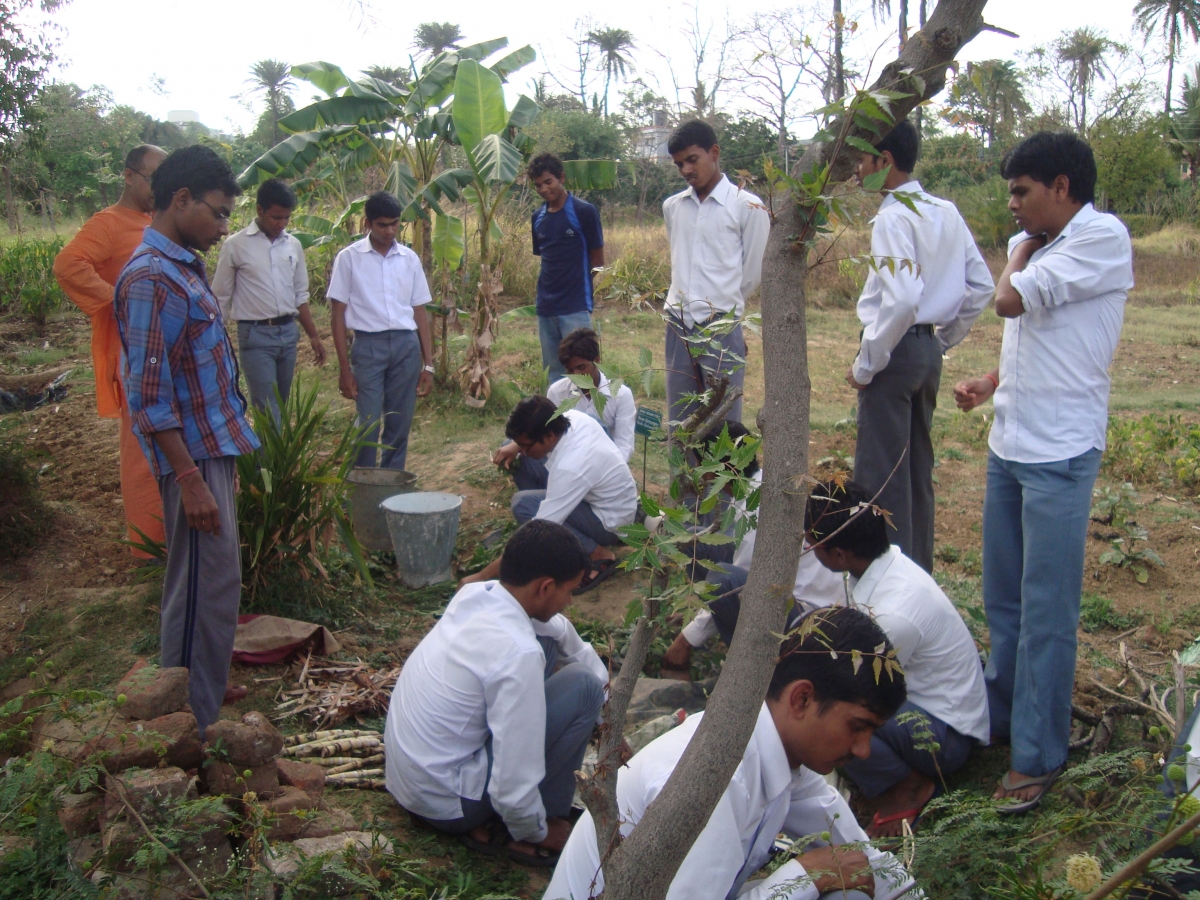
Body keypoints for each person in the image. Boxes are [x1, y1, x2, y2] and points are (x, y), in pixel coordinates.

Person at [953, 132, 1133, 813]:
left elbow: (1010, 302)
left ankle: (1039, 754)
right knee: (1004, 598)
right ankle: (1004, 718)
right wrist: (992, 380)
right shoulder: (1047, 249)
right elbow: (1045, 338)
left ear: (1062, 186)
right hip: (1012, 442)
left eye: (1022, 191)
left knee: (1048, 612)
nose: (1013, 205)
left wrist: (1016, 256)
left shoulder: (1099, 238)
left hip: (1059, 453)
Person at [545, 605, 920, 900]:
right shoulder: (714, 778)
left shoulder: (778, 754)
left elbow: (861, 855)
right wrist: (806, 874)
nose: (864, 750)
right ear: (802, 698)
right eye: (858, 727)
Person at [114, 145, 260, 735]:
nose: (224, 227)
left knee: (216, 578)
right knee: (201, 582)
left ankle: (200, 686)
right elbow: (148, 397)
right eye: (219, 213)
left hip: (211, 449)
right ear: (181, 201)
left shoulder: (180, 267)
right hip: (191, 458)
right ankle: (190, 722)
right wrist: (192, 478)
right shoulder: (150, 278)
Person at [385, 520, 607, 867]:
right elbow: (511, 786)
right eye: (570, 590)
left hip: (412, 778)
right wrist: (533, 830)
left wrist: (610, 715)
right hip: (449, 802)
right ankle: (540, 821)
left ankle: (521, 814)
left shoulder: (477, 595)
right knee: (586, 689)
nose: (569, 601)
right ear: (546, 587)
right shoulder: (518, 653)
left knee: (551, 643)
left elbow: (559, 630)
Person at [847, 118, 994, 574]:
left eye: (862, 159)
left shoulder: (892, 215)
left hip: (895, 354)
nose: (856, 169)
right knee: (915, 477)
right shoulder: (944, 211)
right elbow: (980, 285)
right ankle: (919, 579)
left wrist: (866, 364)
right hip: (926, 353)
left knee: (881, 481)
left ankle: (887, 587)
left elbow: (904, 298)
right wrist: (939, 340)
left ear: (884, 161)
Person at [805, 479, 989, 836]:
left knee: (833, 711)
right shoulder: (884, 568)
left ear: (838, 555)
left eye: (812, 544)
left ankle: (906, 788)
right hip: (928, 708)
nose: (808, 548)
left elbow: (849, 682)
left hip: (943, 736)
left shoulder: (892, 614)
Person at [54, 144, 168, 561]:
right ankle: (149, 548)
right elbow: (68, 265)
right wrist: (119, 300)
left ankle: (174, 533)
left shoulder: (154, 222)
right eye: (153, 178)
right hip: (133, 353)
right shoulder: (109, 223)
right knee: (142, 447)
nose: (160, 187)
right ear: (129, 176)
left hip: (162, 349)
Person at [660, 424, 846, 679]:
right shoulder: (761, 482)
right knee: (697, 544)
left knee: (722, 580)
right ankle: (701, 609)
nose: (698, 475)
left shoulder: (754, 516)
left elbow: (737, 589)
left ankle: (754, 672)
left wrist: (685, 640)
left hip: (806, 617)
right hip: (795, 590)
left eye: (700, 466)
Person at [662, 120, 769, 430]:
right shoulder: (674, 207)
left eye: (692, 160)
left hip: (720, 325)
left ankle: (718, 481)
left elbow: (752, 273)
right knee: (680, 423)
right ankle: (680, 481)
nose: (685, 170)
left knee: (721, 422)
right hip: (678, 323)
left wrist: (724, 309)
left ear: (714, 152)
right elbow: (679, 260)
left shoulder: (747, 206)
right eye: (679, 164)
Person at [474, 396, 638, 594]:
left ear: (550, 435)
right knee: (515, 452)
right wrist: (515, 446)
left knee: (523, 505)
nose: (524, 450)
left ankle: (597, 555)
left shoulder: (572, 467)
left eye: (527, 445)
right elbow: (524, 447)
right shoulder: (571, 417)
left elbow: (538, 530)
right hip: (599, 496)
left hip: (609, 522)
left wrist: (482, 576)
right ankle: (556, 518)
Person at [328, 191, 434, 471]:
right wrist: (344, 368)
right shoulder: (349, 258)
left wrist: (429, 364)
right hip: (368, 347)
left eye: (395, 224)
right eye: (382, 225)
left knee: (399, 423)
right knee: (368, 423)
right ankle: (361, 486)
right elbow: (337, 313)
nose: (390, 231)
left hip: (405, 346)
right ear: (367, 224)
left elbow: (420, 312)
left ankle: (390, 486)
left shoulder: (409, 259)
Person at [212, 178, 326, 422]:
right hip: (255, 336)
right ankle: (267, 460)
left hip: (287, 333)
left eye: (286, 218)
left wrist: (314, 336)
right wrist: (215, 341)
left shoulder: (293, 245)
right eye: (276, 217)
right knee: (267, 408)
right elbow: (220, 297)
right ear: (260, 210)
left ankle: (274, 459)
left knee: (281, 406)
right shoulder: (235, 246)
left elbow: (300, 295)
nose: (281, 224)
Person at [529, 153, 605, 383]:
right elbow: (546, 257)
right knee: (555, 372)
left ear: (561, 178)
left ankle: (591, 417)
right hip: (546, 306)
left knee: (582, 368)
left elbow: (598, 260)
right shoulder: (537, 218)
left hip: (575, 306)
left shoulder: (583, 211)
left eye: (548, 181)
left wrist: (579, 286)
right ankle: (559, 417)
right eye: (538, 185)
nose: (543, 189)